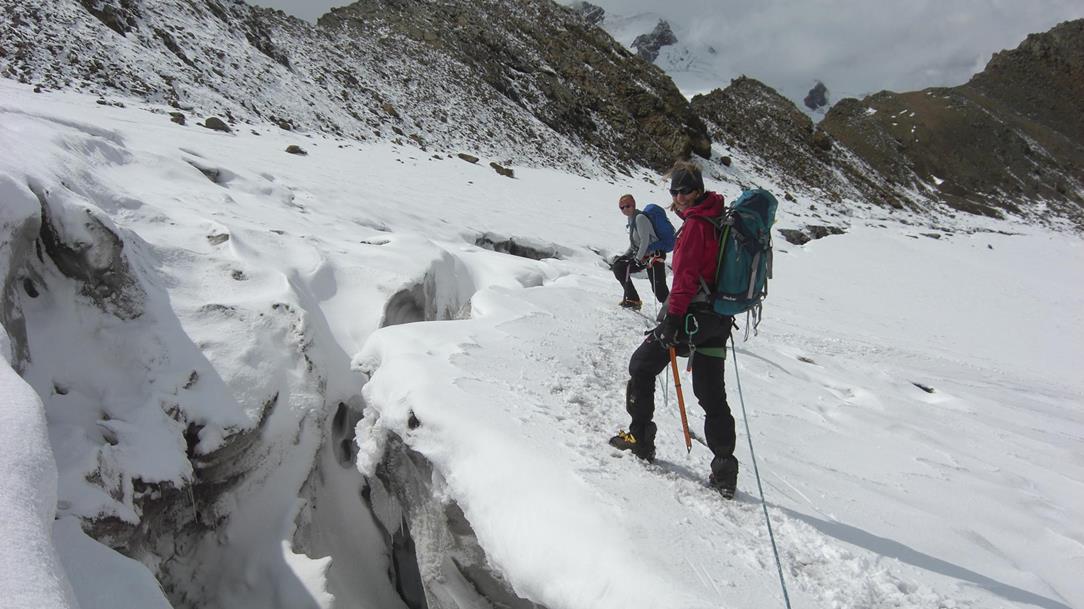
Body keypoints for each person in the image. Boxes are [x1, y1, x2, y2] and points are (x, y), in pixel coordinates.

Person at [608, 161, 740, 499]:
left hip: (691, 319)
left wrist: (671, 321)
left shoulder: (696, 225)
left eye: (685, 190)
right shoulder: (717, 217)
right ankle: (725, 470)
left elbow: (685, 279)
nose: (679, 196)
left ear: (697, 190)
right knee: (712, 395)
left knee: (641, 366)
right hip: (717, 320)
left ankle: (640, 438)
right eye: (675, 191)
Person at [611, 194, 669, 311]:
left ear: (633, 205)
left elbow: (644, 241)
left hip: (654, 255)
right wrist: (625, 256)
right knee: (619, 267)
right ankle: (633, 299)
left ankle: (672, 309)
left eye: (627, 206)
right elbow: (634, 244)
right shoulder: (631, 219)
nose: (625, 209)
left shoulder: (640, 218)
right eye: (622, 207)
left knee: (658, 288)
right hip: (644, 255)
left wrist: (637, 259)